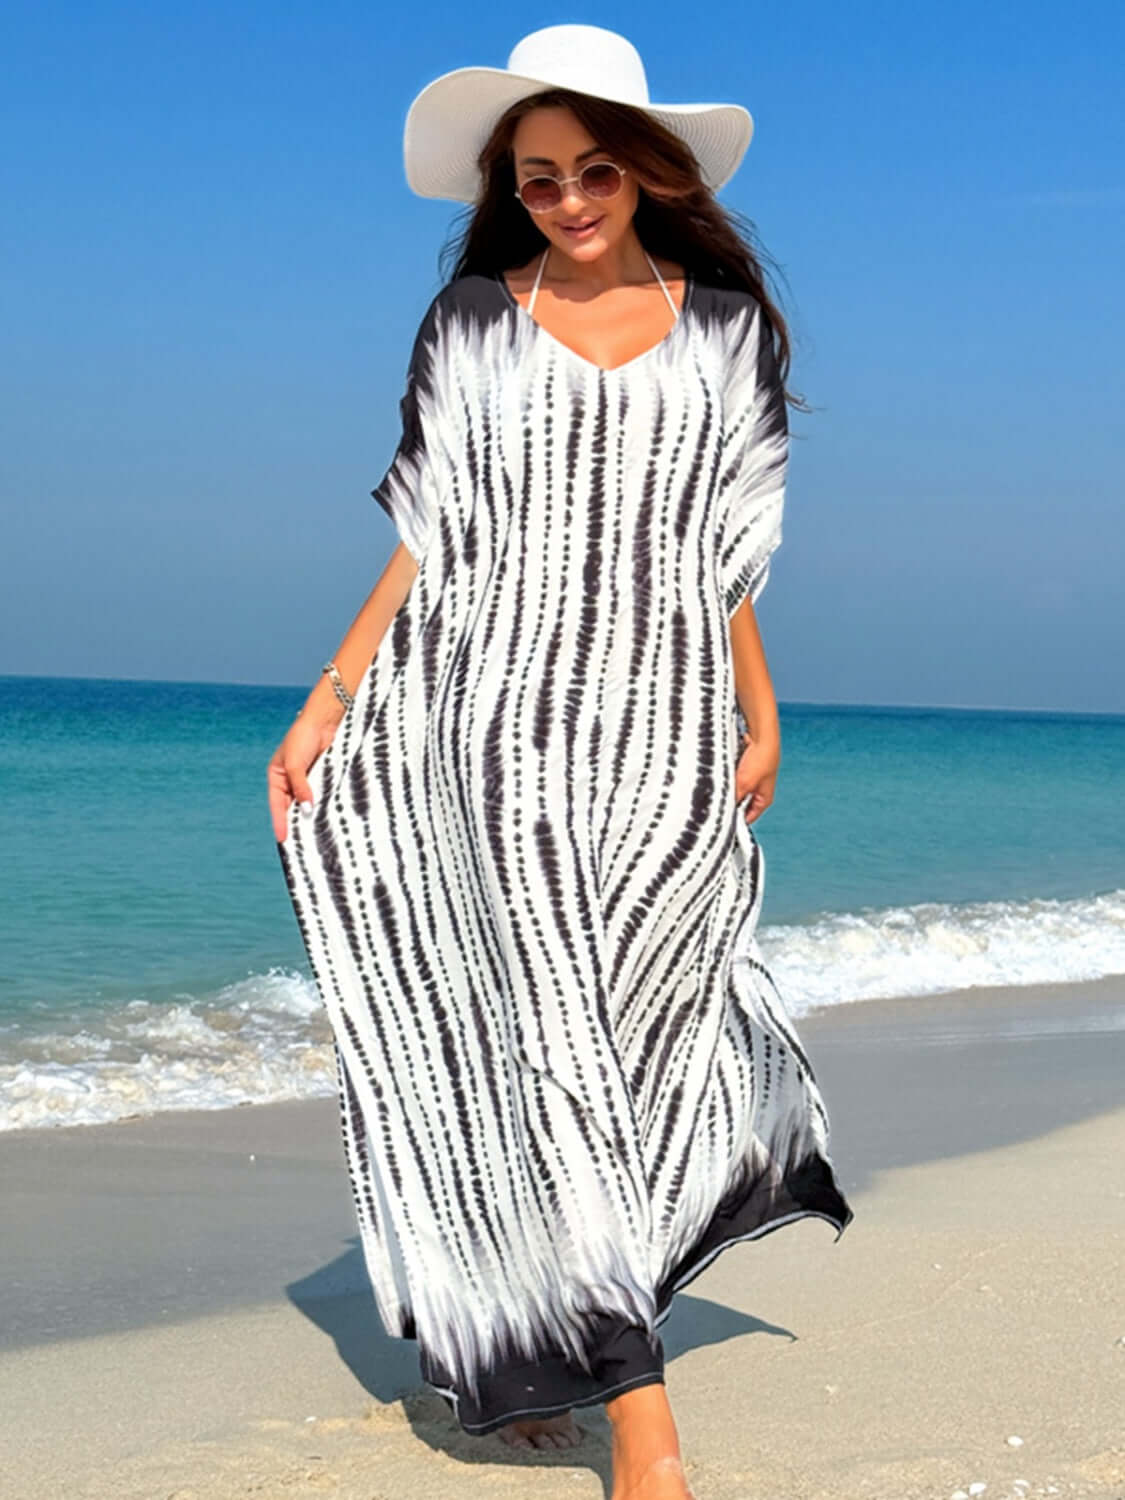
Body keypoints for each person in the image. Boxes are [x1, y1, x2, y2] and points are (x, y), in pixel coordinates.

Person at [268, 23, 854, 1500]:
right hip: (497, 721)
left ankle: (529, 1324)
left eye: (594, 171)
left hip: (665, 729)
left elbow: (725, 553)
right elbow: (429, 536)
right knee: (550, 1040)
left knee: (656, 1015)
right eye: (537, 182)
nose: (569, 201)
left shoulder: (726, 331)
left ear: (648, 174)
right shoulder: (472, 318)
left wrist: (758, 705)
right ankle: (639, 1420)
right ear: (508, 194)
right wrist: (330, 699)